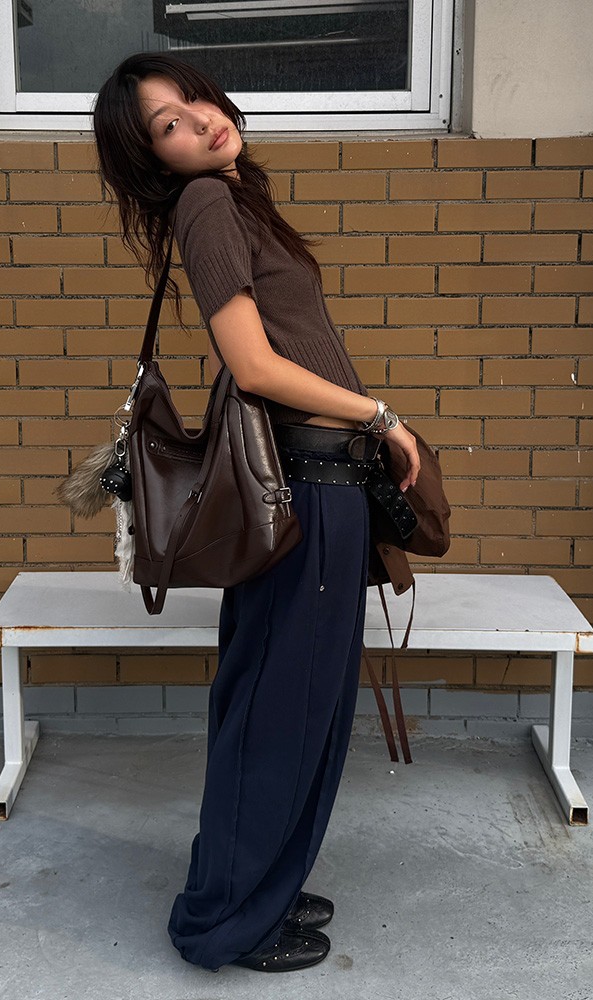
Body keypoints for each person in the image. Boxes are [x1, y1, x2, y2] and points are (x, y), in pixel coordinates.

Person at [92, 51, 420, 975]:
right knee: (279, 709)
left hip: (323, 488)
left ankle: (263, 883)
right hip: (302, 491)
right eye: (167, 124)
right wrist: (384, 418)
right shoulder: (205, 203)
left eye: (193, 99)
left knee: (303, 704)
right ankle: (222, 919)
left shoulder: (239, 199)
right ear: (153, 157)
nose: (198, 120)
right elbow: (253, 365)